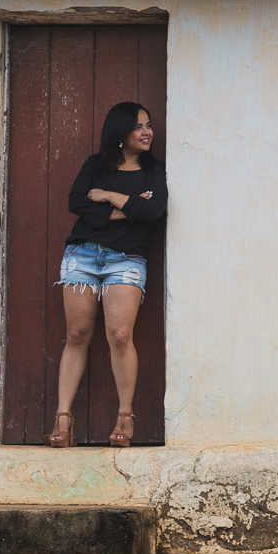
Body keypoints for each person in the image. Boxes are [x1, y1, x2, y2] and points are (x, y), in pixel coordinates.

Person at [46, 102, 167, 448]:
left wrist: (109, 196)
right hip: (82, 254)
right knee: (77, 333)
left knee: (120, 334)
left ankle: (125, 416)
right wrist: (129, 208)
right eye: (138, 126)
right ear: (120, 133)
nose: (147, 132)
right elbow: (77, 203)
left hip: (126, 259)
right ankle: (63, 416)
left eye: (149, 125)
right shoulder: (94, 165)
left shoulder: (154, 171)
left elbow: (153, 209)